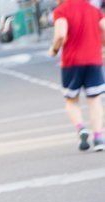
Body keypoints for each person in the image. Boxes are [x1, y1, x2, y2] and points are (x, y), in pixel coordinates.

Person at [49, 0, 105, 151]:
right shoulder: (93, 10)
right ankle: (99, 138)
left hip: (72, 62)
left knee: (71, 100)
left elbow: (60, 34)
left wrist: (54, 50)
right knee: (94, 100)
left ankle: (81, 129)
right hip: (94, 60)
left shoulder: (62, 10)